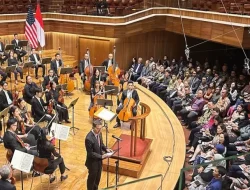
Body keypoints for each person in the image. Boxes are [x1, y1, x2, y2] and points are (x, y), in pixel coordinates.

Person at [85, 119, 113, 190]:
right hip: (92, 163)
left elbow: (101, 144)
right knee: (92, 180)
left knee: (97, 179)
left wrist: (106, 149)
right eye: (98, 129)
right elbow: (90, 153)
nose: (99, 130)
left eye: (100, 128)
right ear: (93, 127)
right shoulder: (88, 138)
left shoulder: (99, 133)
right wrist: (101, 156)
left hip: (99, 161)